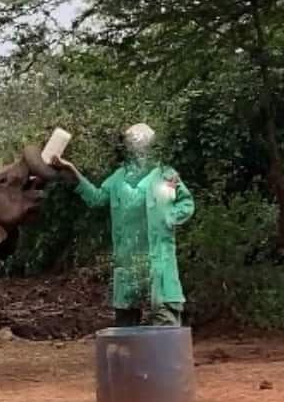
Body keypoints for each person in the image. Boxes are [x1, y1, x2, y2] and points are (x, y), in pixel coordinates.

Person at [58, 122, 194, 326]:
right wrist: (74, 174)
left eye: (141, 141)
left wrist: (171, 217)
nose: (137, 146)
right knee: (126, 322)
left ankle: (166, 356)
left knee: (166, 318)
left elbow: (186, 202)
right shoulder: (118, 178)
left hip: (158, 259)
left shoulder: (166, 174)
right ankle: (131, 357)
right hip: (128, 260)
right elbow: (96, 198)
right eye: (133, 142)